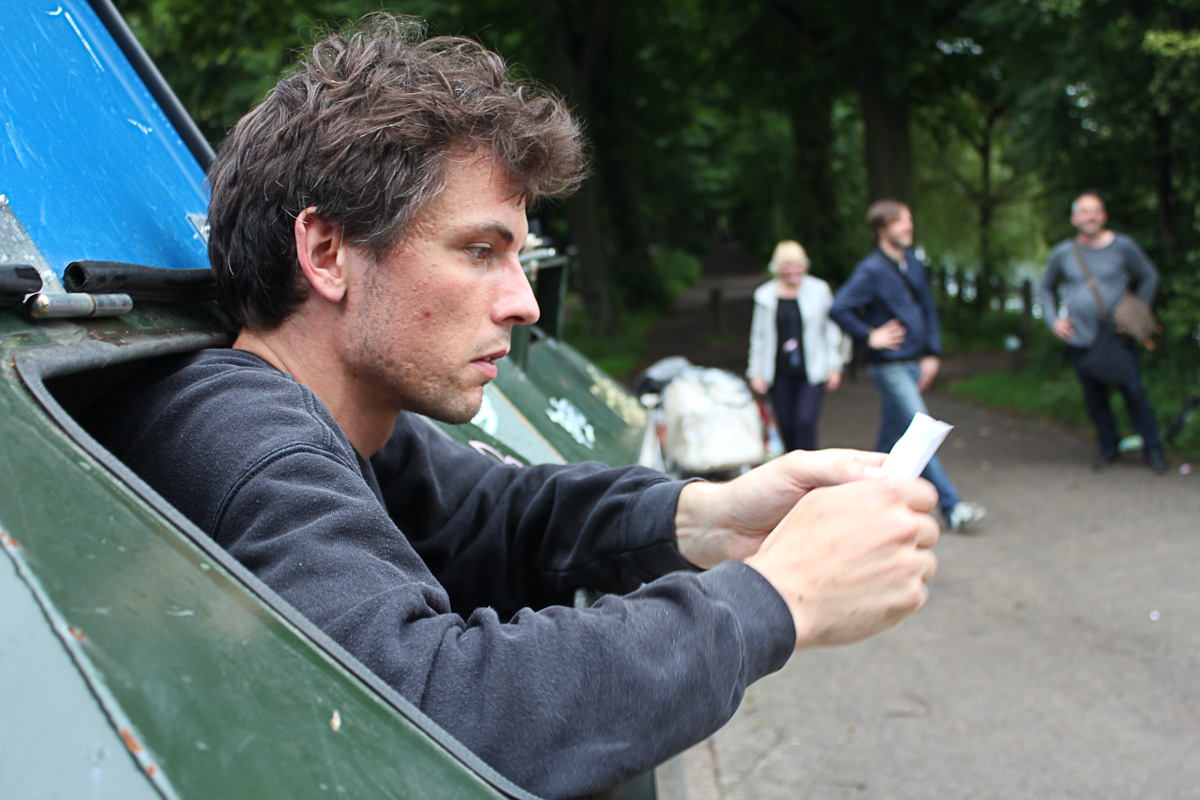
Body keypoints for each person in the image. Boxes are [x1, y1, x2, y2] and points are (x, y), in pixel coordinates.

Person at [89, 17, 940, 799]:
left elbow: (498, 514)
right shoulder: (243, 435)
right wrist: (779, 597)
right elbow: (425, 709)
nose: (524, 302)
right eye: (480, 250)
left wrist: (710, 518)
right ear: (327, 251)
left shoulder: (338, 417)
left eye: (518, 258)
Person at [830, 199, 986, 532]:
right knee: (921, 432)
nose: (908, 226)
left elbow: (927, 308)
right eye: (900, 222)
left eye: (909, 220)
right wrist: (869, 335)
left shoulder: (911, 263)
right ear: (881, 229)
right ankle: (952, 507)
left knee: (891, 442)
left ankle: (861, 501)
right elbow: (840, 307)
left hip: (914, 362)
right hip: (889, 367)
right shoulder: (871, 270)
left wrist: (932, 353)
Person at [1038, 191, 1166, 473]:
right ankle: (1109, 447)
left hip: (1116, 337)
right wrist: (1053, 321)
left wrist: (1137, 315)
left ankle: (1153, 448)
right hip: (1080, 339)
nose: (1091, 216)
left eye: (1095, 210)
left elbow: (1149, 275)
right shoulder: (1063, 252)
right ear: (1074, 218)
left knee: (1134, 393)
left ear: (1104, 216)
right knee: (1095, 398)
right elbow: (1045, 287)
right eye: (1084, 211)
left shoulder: (1123, 246)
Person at [747, 240, 845, 452]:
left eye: (797, 264)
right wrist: (756, 373)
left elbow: (831, 330)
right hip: (780, 372)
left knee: (804, 422)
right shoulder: (765, 296)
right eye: (787, 265)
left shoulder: (819, 290)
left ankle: (810, 469)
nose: (792, 270)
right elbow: (758, 337)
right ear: (778, 267)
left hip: (813, 370)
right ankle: (793, 469)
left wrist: (835, 366)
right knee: (787, 427)